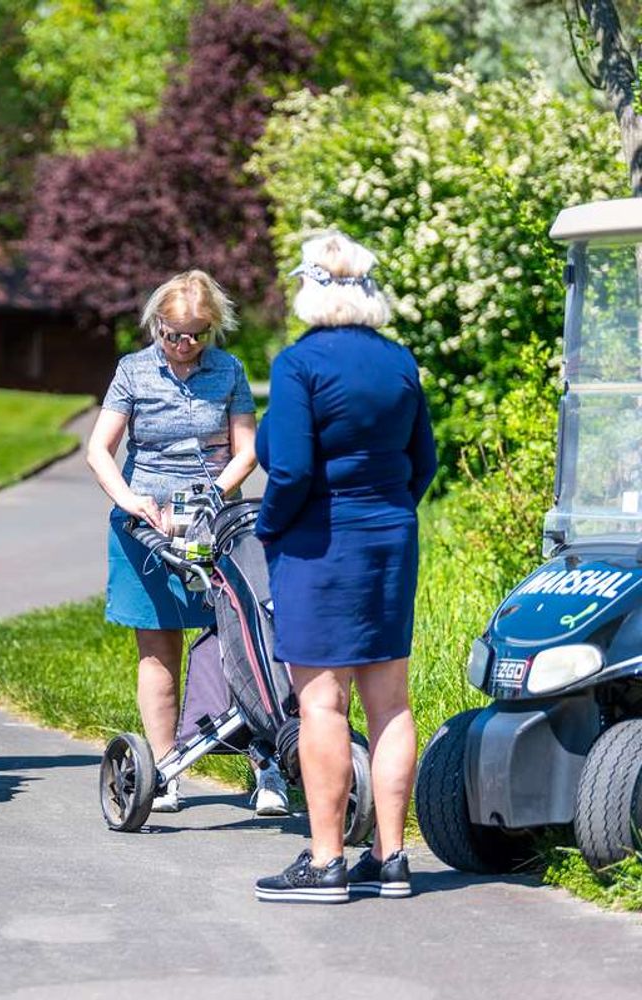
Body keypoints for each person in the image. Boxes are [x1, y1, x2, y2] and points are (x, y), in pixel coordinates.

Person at [252, 234, 436, 903]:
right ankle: (390, 857)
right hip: (389, 540)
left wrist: (271, 526)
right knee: (391, 702)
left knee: (321, 702)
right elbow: (424, 462)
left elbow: (292, 469)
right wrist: (388, 512)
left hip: (320, 545)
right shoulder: (399, 361)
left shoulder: (299, 364)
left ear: (309, 288)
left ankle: (327, 859)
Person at [86, 270, 286, 815]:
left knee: (243, 645)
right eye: (174, 334)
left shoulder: (229, 371)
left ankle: (266, 766)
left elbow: (248, 449)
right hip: (144, 527)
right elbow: (100, 449)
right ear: (157, 324)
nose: (184, 345)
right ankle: (165, 768)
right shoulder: (133, 370)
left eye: (197, 335)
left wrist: (212, 494)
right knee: (159, 650)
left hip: (216, 525)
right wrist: (129, 500)